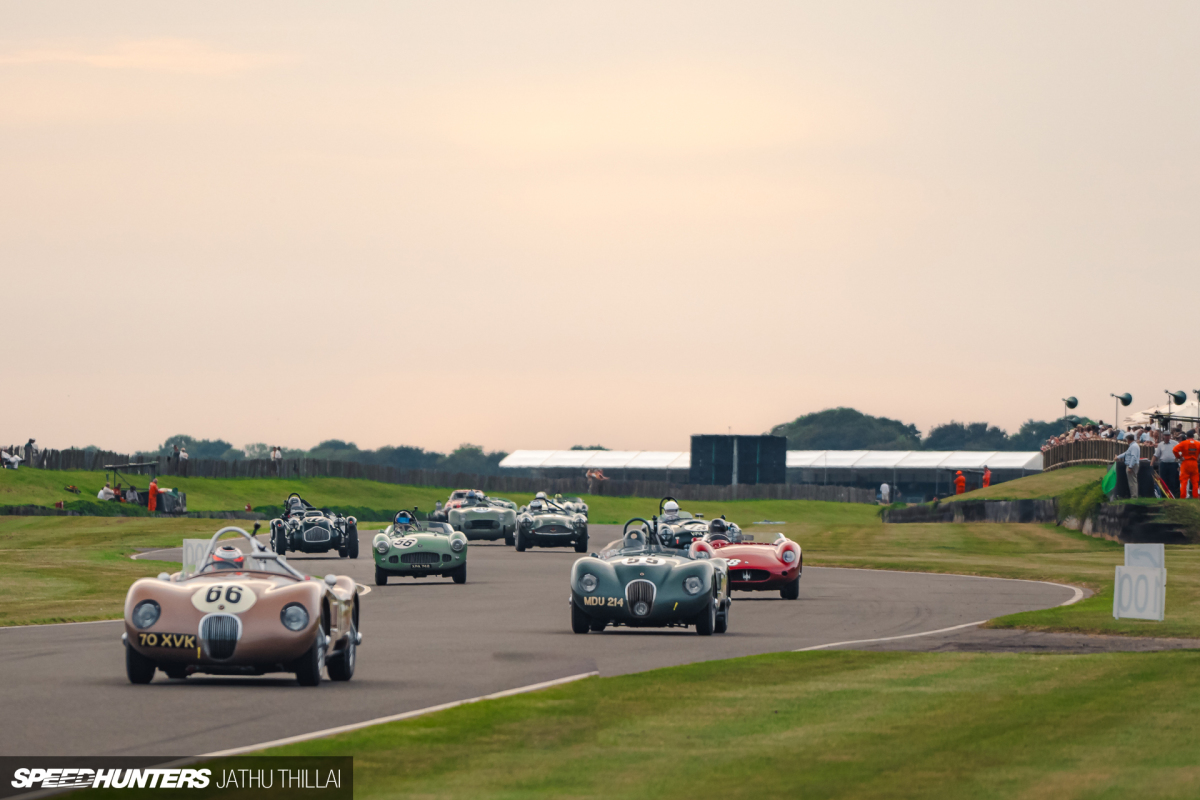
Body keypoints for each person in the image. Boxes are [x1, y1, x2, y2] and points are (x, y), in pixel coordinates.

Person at [1173, 432, 1200, 500]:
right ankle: (1196, 498)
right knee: (1195, 482)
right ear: (1193, 436)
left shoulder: (1183, 443)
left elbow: (1174, 450)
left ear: (1186, 436)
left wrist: (1179, 457)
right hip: (1194, 463)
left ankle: (1183, 498)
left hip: (1185, 463)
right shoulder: (1198, 443)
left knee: (1184, 482)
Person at [1122, 434, 1141, 499]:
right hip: (1133, 465)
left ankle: (1134, 496)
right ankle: (1134, 496)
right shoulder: (1133, 446)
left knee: (1132, 482)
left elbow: (1133, 457)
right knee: (1132, 481)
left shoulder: (1133, 446)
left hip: (1132, 465)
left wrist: (1130, 467)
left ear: (1129, 439)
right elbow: (1126, 453)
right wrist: (1118, 456)